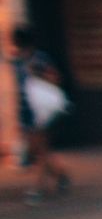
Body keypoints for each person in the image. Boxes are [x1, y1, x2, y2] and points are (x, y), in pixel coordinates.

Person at [9, 26, 71, 204]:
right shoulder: (17, 61)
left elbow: (55, 79)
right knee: (37, 151)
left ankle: (37, 190)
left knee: (41, 150)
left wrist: (39, 75)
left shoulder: (40, 59)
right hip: (26, 111)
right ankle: (61, 176)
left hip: (42, 111)